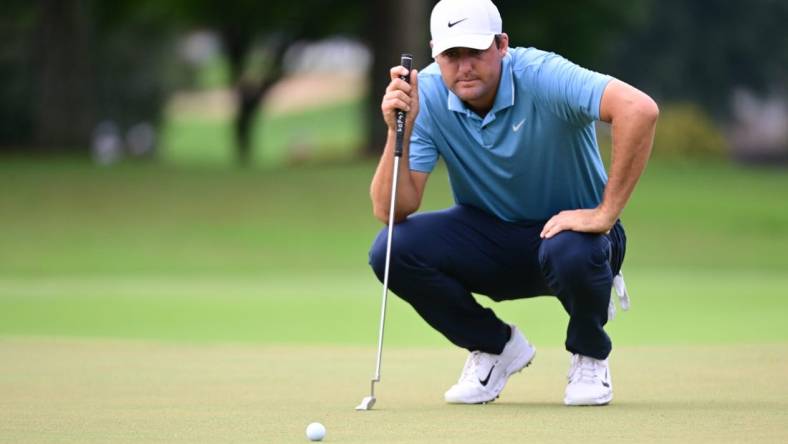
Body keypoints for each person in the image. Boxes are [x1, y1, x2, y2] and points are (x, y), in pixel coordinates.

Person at [369, 0, 658, 406]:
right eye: (452, 55)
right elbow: (391, 211)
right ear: (435, 53)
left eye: (475, 52)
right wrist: (398, 128)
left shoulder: (540, 75)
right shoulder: (427, 94)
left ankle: (590, 354)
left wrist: (605, 213)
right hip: (491, 238)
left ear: (502, 45)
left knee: (572, 248)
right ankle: (494, 348)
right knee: (390, 247)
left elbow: (639, 109)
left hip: (575, 238)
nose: (464, 66)